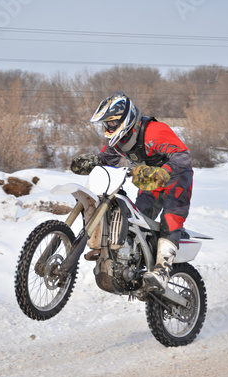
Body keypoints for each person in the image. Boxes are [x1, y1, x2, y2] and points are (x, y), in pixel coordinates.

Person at [70, 91, 193, 292]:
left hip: (176, 177)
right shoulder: (118, 141)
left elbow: (182, 156)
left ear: (125, 119)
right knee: (138, 221)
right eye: (106, 123)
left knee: (170, 219)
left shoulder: (154, 131)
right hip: (149, 179)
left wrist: (165, 172)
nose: (108, 127)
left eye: (111, 122)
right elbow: (106, 160)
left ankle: (162, 271)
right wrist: (90, 162)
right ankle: (130, 262)